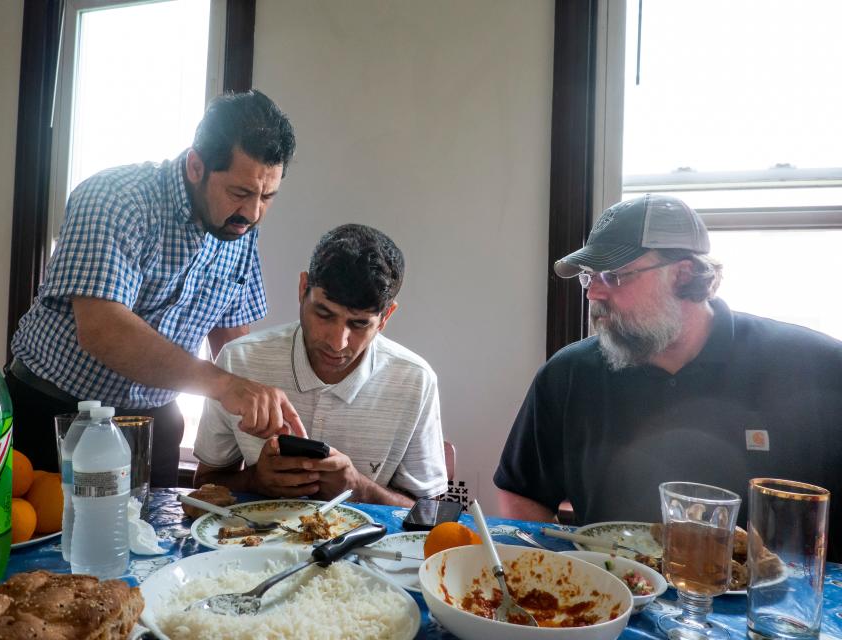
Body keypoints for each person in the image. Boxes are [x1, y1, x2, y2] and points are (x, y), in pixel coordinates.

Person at [494, 194, 842, 560]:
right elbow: (522, 492)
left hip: (774, 610)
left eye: (614, 275)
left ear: (684, 274)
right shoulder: (569, 375)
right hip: (619, 602)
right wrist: (562, 573)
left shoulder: (813, 368)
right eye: (588, 276)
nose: (594, 292)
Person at [8, 90, 306, 486]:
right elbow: (102, 329)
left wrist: (264, 414)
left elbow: (231, 339)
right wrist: (223, 386)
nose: (253, 212)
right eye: (240, 192)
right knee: (46, 541)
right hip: (54, 411)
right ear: (196, 166)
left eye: (268, 196)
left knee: (155, 544)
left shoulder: (238, 227)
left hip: (154, 422)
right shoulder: (117, 198)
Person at [192, 224, 448, 507]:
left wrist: (357, 487)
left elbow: (429, 513)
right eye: (324, 314)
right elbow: (204, 484)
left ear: (386, 316)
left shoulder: (415, 380)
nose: (337, 343)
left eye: (359, 323)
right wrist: (256, 481)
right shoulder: (239, 360)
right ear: (303, 289)